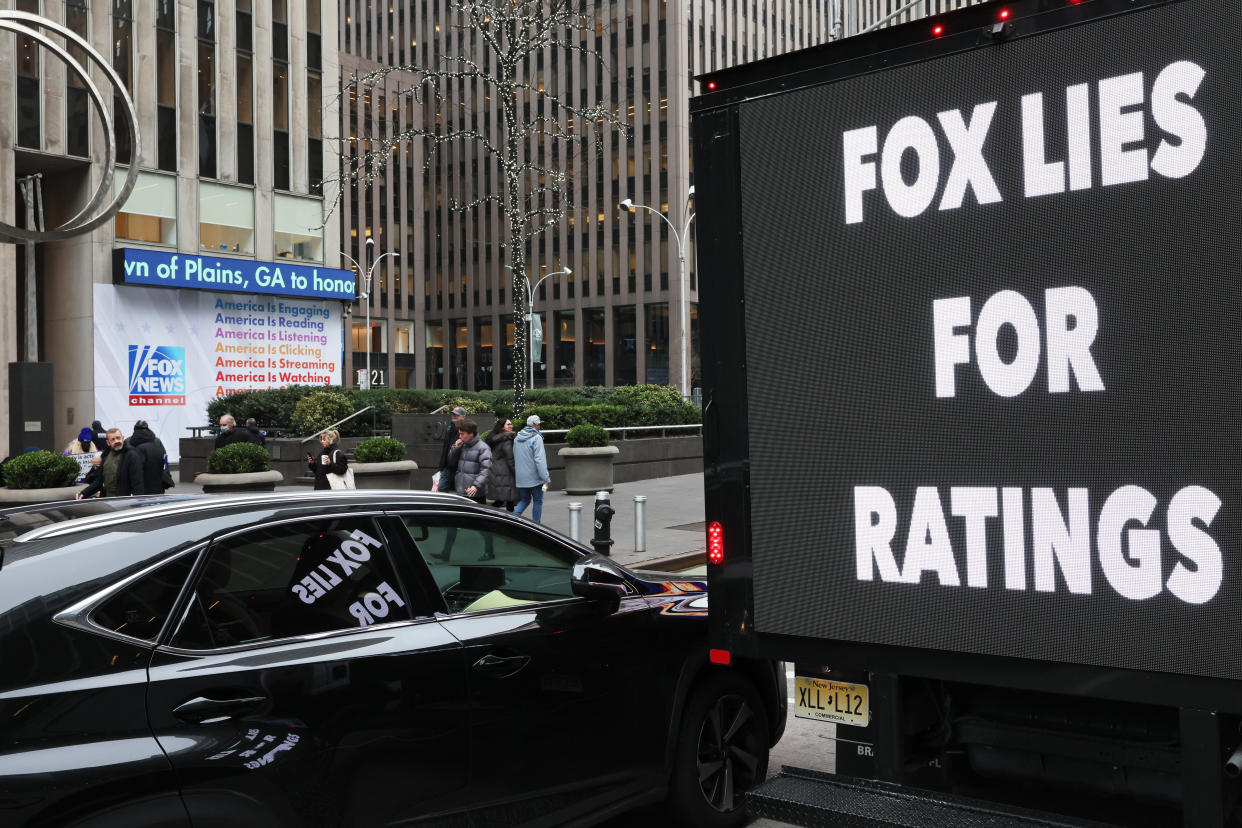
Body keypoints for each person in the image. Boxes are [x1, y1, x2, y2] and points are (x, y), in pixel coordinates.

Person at [442, 419, 495, 561]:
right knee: (453, 523)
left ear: (471, 434)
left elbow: (486, 470)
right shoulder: (463, 445)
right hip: (461, 490)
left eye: (462, 434)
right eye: (459, 434)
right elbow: (451, 463)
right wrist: (455, 447)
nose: (460, 436)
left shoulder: (483, 448)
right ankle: (445, 553)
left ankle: (489, 552)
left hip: (475, 493)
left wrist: (476, 486)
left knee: (481, 525)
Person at [77, 428, 145, 498]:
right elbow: (99, 481)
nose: (116, 441)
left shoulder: (131, 455)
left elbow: (137, 484)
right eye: (113, 439)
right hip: (107, 501)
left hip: (124, 502)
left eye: (118, 438)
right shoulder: (105, 455)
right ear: (108, 443)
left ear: (123, 438)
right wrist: (84, 493)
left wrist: (137, 502)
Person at [514, 414, 551, 523]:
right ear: (535, 425)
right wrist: (546, 478)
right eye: (539, 424)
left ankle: (513, 520)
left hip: (521, 476)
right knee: (538, 501)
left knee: (524, 500)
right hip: (535, 477)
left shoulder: (517, 438)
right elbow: (540, 460)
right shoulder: (536, 438)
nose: (539, 426)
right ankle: (536, 526)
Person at [130, 420, 173, 493]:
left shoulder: (129, 440)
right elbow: (164, 458)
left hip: (141, 481)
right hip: (157, 478)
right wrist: (166, 473)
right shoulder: (156, 440)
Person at [486, 417, 518, 511]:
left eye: (511, 424)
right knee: (509, 499)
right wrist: (516, 472)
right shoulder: (507, 439)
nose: (511, 426)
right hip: (505, 473)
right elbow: (510, 458)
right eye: (508, 424)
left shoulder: (494, 438)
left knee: (501, 500)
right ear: (502, 427)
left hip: (495, 472)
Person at [435, 406, 468, 491]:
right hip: (447, 466)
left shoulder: (468, 429)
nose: (454, 416)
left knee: (460, 492)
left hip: (460, 467)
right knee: (441, 488)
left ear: (463, 417)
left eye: (457, 415)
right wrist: (441, 467)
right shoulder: (449, 428)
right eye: (453, 414)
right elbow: (445, 449)